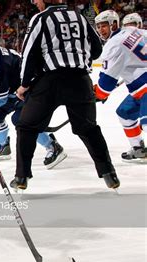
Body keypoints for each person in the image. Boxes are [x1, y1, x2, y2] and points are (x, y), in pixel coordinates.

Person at [12, 0, 119, 190]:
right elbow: (97, 50)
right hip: (80, 81)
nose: (34, 2)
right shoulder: (80, 17)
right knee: (88, 129)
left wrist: (24, 84)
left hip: (49, 82)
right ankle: (108, 173)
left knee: (26, 126)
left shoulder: (41, 18)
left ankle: (21, 177)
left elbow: (28, 53)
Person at [0, 30, 67, 168]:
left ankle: (53, 146)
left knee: (22, 120)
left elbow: (0, 98)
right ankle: (3, 146)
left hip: (30, 91)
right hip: (14, 92)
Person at [94, 10, 146, 163]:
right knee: (125, 113)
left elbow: (106, 83)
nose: (101, 30)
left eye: (104, 26)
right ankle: (139, 149)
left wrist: (98, 93)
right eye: (98, 27)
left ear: (114, 24)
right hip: (140, 90)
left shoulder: (113, 44)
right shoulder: (136, 31)